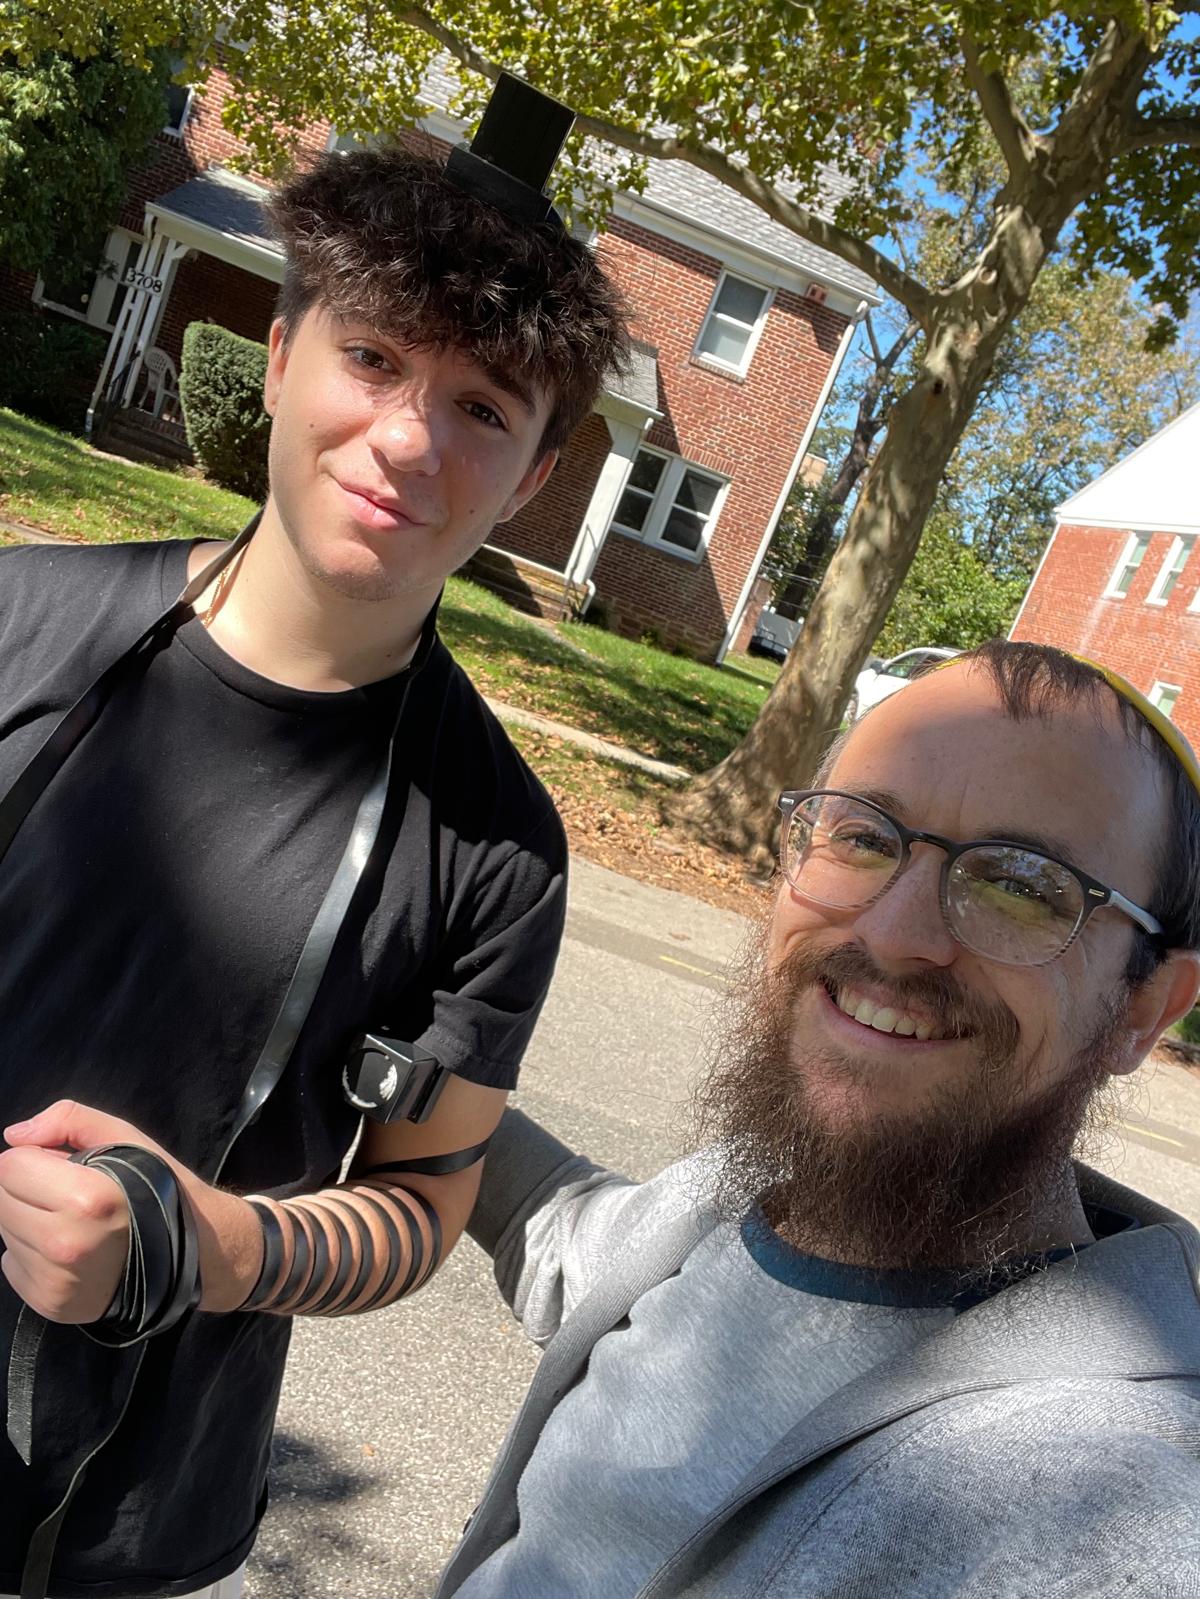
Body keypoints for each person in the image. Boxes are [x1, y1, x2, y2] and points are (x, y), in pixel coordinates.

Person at [0, 79, 628, 1599]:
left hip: (104, 1526)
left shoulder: (498, 850)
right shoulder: (18, 614)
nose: (411, 436)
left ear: (537, 475)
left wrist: (207, 1241)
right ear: (279, 358)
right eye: (374, 356)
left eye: (484, 406)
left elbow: (426, 1197)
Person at [440, 641, 1200, 1599]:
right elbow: (568, 1245)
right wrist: (405, 1065)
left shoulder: (1105, 1494)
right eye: (866, 836)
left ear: (1145, 1007)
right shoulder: (736, 1201)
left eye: (1022, 884)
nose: (891, 935)